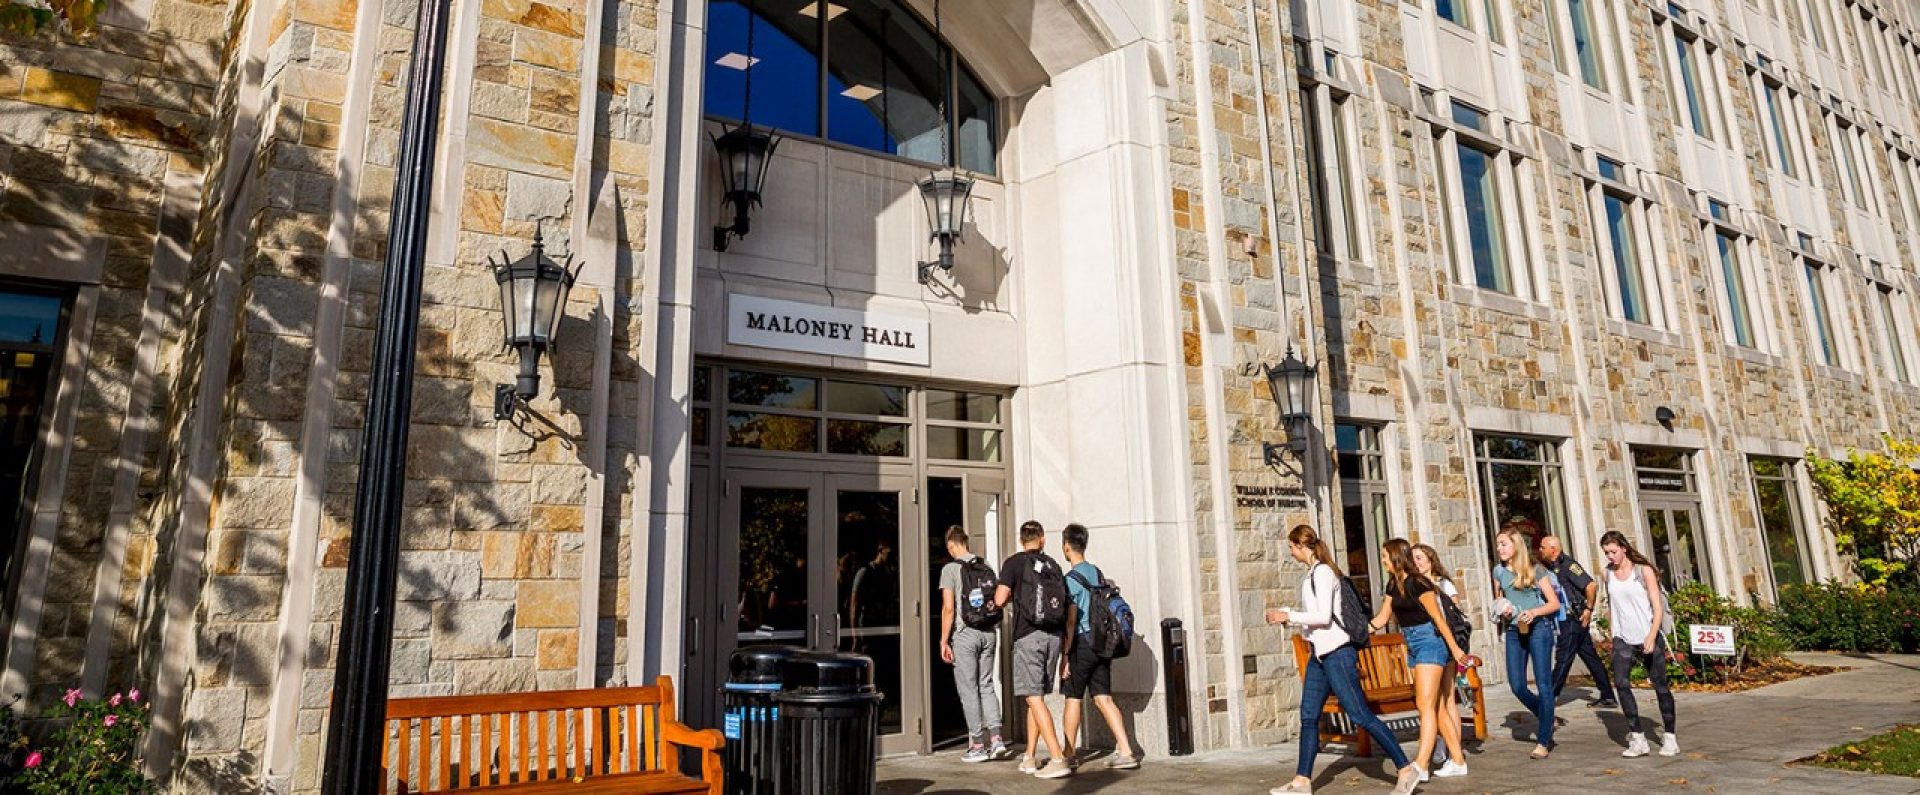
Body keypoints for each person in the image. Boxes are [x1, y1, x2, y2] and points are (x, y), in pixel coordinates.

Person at [1265, 525, 1422, 795]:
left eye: (1291, 547)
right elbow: (1316, 620)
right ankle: (1302, 781)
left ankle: (1406, 769)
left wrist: (1288, 615)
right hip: (1320, 654)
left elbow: (1324, 616)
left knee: (1360, 714)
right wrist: (1289, 617)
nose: (1290, 553)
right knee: (1309, 716)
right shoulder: (1313, 574)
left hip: (1337, 654)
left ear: (1302, 546)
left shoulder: (1324, 572)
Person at [1366, 539, 1472, 782]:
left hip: (1431, 642)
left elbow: (1439, 620)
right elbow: (1382, 618)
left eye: (1384, 556)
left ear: (1396, 557)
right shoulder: (1394, 583)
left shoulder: (1419, 584)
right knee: (1435, 705)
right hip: (1413, 644)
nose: (1382, 561)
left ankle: (1421, 765)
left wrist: (1456, 650)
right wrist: (1357, 633)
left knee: (1424, 705)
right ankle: (1458, 761)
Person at [1058, 523, 1141, 771]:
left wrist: (1065, 655)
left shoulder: (1071, 580)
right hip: (1102, 644)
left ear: (1066, 547)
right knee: (1103, 697)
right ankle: (1126, 750)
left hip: (1082, 643)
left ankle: (1068, 754)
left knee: (1072, 697)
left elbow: (1071, 621)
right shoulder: (1098, 573)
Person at [994, 521, 1073, 779]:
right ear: (1042, 539)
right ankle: (1029, 756)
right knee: (1036, 697)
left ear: (1021, 540)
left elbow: (999, 598)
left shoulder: (1014, 563)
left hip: (1028, 636)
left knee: (1032, 697)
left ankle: (1057, 758)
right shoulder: (1054, 565)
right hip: (1053, 637)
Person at [1600, 530, 1680, 758]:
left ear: (1624, 548)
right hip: (1623, 638)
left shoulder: (1643, 571)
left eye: (1614, 551)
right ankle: (1637, 738)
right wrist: (1613, 633)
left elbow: (1657, 607)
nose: (1611, 556)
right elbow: (1612, 605)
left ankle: (1670, 736)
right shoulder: (1607, 574)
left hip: (1648, 634)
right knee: (1622, 685)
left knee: (1660, 685)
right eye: (1607, 553)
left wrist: (1651, 636)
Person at [938, 526, 1010, 763]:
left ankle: (978, 744)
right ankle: (997, 739)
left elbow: (949, 608)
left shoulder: (950, 569)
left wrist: (943, 640)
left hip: (966, 634)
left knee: (968, 689)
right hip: (989, 632)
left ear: (951, 546)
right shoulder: (985, 564)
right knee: (986, 685)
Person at [1492, 529, 1562, 759]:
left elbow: (1554, 604)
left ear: (1516, 545)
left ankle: (1543, 740)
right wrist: (1503, 608)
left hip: (1539, 629)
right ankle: (1546, 717)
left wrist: (1533, 611)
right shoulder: (1499, 571)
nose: (1500, 549)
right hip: (1514, 630)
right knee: (1517, 685)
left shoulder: (1535, 569)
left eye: (1504, 544)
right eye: (1498, 545)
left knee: (1543, 685)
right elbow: (1499, 600)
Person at [1538, 535, 1620, 709]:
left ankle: (1548, 699)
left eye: (1542, 547)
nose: (1540, 550)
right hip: (1571, 619)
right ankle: (1607, 695)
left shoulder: (1569, 565)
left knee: (1563, 658)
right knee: (1591, 658)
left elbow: (1591, 585)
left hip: (1572, 620)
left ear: (1553, 549)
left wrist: (1588, 610)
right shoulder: (1554, 567)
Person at [1411, 544, 1469, 769]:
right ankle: (1443, 746)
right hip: (1429, 644)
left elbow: (1454, 613)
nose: (1417, 562)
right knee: (1434, 701)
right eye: (1414, 558)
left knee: (1446, 698)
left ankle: (1452, 747)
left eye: (1420, 558)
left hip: (1445, 643)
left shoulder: (1442, 583)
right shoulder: (1415, 585)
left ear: (1431, 559)